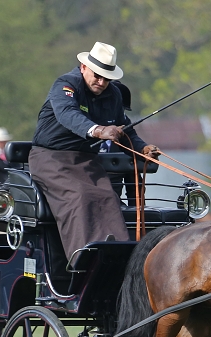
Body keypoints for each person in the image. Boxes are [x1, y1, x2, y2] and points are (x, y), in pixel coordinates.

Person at [29, 41, 159, 256]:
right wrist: (99, 130)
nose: (101, 81)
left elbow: (126, 132)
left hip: (87, 160)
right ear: (83, 67)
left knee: (108, 198)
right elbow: (68, 115)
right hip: (50, 159)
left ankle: (116, 255)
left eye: (107, 78)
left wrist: (144, 149)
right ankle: (83, 257)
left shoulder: (114, 94)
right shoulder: (65, 85)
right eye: (97, 75)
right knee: (80, 196)